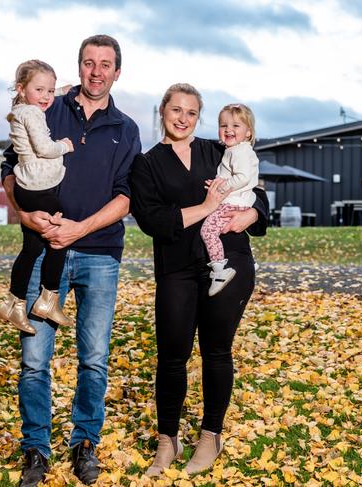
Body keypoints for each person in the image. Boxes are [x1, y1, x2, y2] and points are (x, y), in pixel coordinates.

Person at [1, 35, 141, 487]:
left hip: (100, 254)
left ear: (117, 71)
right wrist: (24, 213)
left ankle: (84, 444)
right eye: (88, 63)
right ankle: (36, 450)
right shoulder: (49, 107)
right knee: (35, 360)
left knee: (94, 359)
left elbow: (127, 196)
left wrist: (80, 229)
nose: (96, 72)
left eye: (105, 64)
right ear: (77, 67)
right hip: (44, 249)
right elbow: (10, 167)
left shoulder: (127, 127)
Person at [129, 83, 268, 477]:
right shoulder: (148, 163)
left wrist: (253, 214)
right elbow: (154, 222)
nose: (183, 118)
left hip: (228, 263)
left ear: (198, 117)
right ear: (163, 112)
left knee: (216, 351)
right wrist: (205, 206)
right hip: (176, 268)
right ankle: (167, 439)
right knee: (172, 355)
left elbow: (258, 192)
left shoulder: (218, 149)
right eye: (176, 110)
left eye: (191, 112)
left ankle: (210, 435)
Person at [0, 59, 75, 335]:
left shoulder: (22, 109)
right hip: (38, 184)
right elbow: (44, 148)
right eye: (40, 90)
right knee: (60, 235)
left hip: (27, 185)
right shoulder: (33, 114)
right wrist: (64, 146)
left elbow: (46, 93)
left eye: (51, 91)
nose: (46, 97)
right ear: (21, 88)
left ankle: (14, 303)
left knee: (31, 248)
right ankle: (48, 298)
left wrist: (64, 90)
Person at [200, 103, 259, 296]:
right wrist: (218, 182)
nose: (229, 130)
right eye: (224, 125)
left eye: (236, 126)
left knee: (208, 231)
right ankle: (252, 262)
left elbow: (242, 177)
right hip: (238, 201)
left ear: (248, 132)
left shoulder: (239, 151)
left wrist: (222, 188)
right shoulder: (234, 150)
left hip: (232, 203)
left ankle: (219, 271)